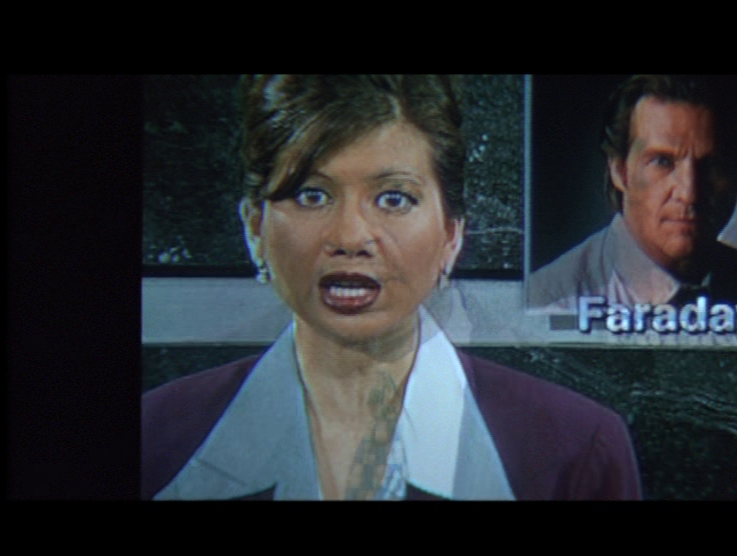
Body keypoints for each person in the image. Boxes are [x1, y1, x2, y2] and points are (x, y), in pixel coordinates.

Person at [142, 75, 641, 500]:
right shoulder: (155, 439)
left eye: (394, 199)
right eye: (312, 195)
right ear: (255, 228)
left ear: (452, 235)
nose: (350, 237)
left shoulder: (577, 451)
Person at [528, 75, 737, 311]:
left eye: (714, 165)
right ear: (620, 171)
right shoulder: (551, 303)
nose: (689, 193)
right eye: (662, 161)